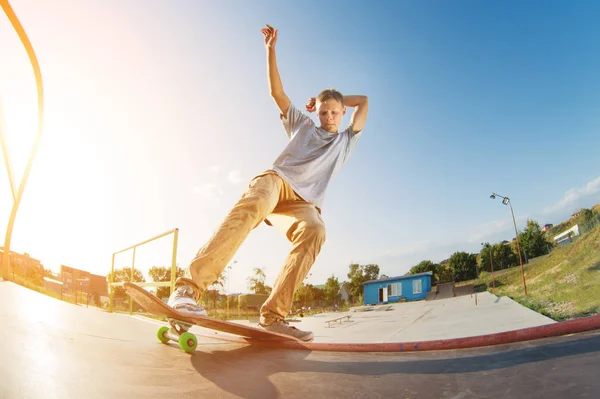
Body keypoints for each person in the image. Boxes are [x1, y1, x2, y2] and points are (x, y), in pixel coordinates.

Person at [166, 24, 368, 341]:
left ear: (342, 112)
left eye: (334, 112)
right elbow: (277, 93)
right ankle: (187, 291)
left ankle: (273, 317)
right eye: (324, 112)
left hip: (303, 206)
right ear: (318, 113)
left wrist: (334, 96)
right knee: (256, 202)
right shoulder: (302, 124)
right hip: (277, 182)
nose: (328, 117)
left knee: (316, 230)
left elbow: (365, 101)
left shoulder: (346, 141)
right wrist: (270, 50)